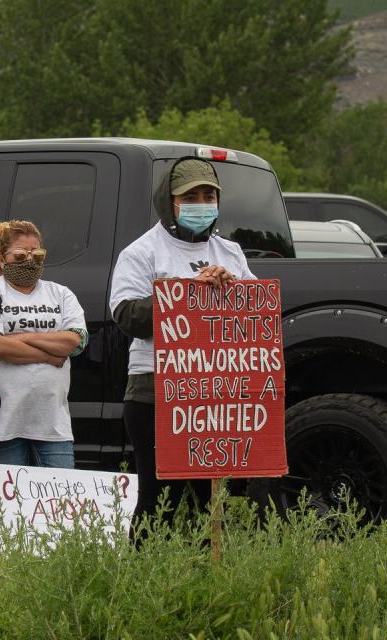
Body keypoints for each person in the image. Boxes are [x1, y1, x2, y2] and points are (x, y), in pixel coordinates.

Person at [108, 157, 256, 526]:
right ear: (169, 201)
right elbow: (126, 316)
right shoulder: (142, 252)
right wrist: (185, 294)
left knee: (213, 501)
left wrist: (231, 288)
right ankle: (144, 577)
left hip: (215, 390)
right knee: (160, 499)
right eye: (190, 196)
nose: (201, 204)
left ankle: (207, 578)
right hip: (154, 389)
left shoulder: (231, 253)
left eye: (209, 195)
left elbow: (256, 315)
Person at [0, 220, 88, 468]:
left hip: (53, 422)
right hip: (5, 422)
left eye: (37, 254)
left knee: (60, 498)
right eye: (21, 255)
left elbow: (75, 342)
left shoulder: (61, 294)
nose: (30, 261)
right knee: (12, 503)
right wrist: (50, 354)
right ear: (1, 259)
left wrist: (21, 337)